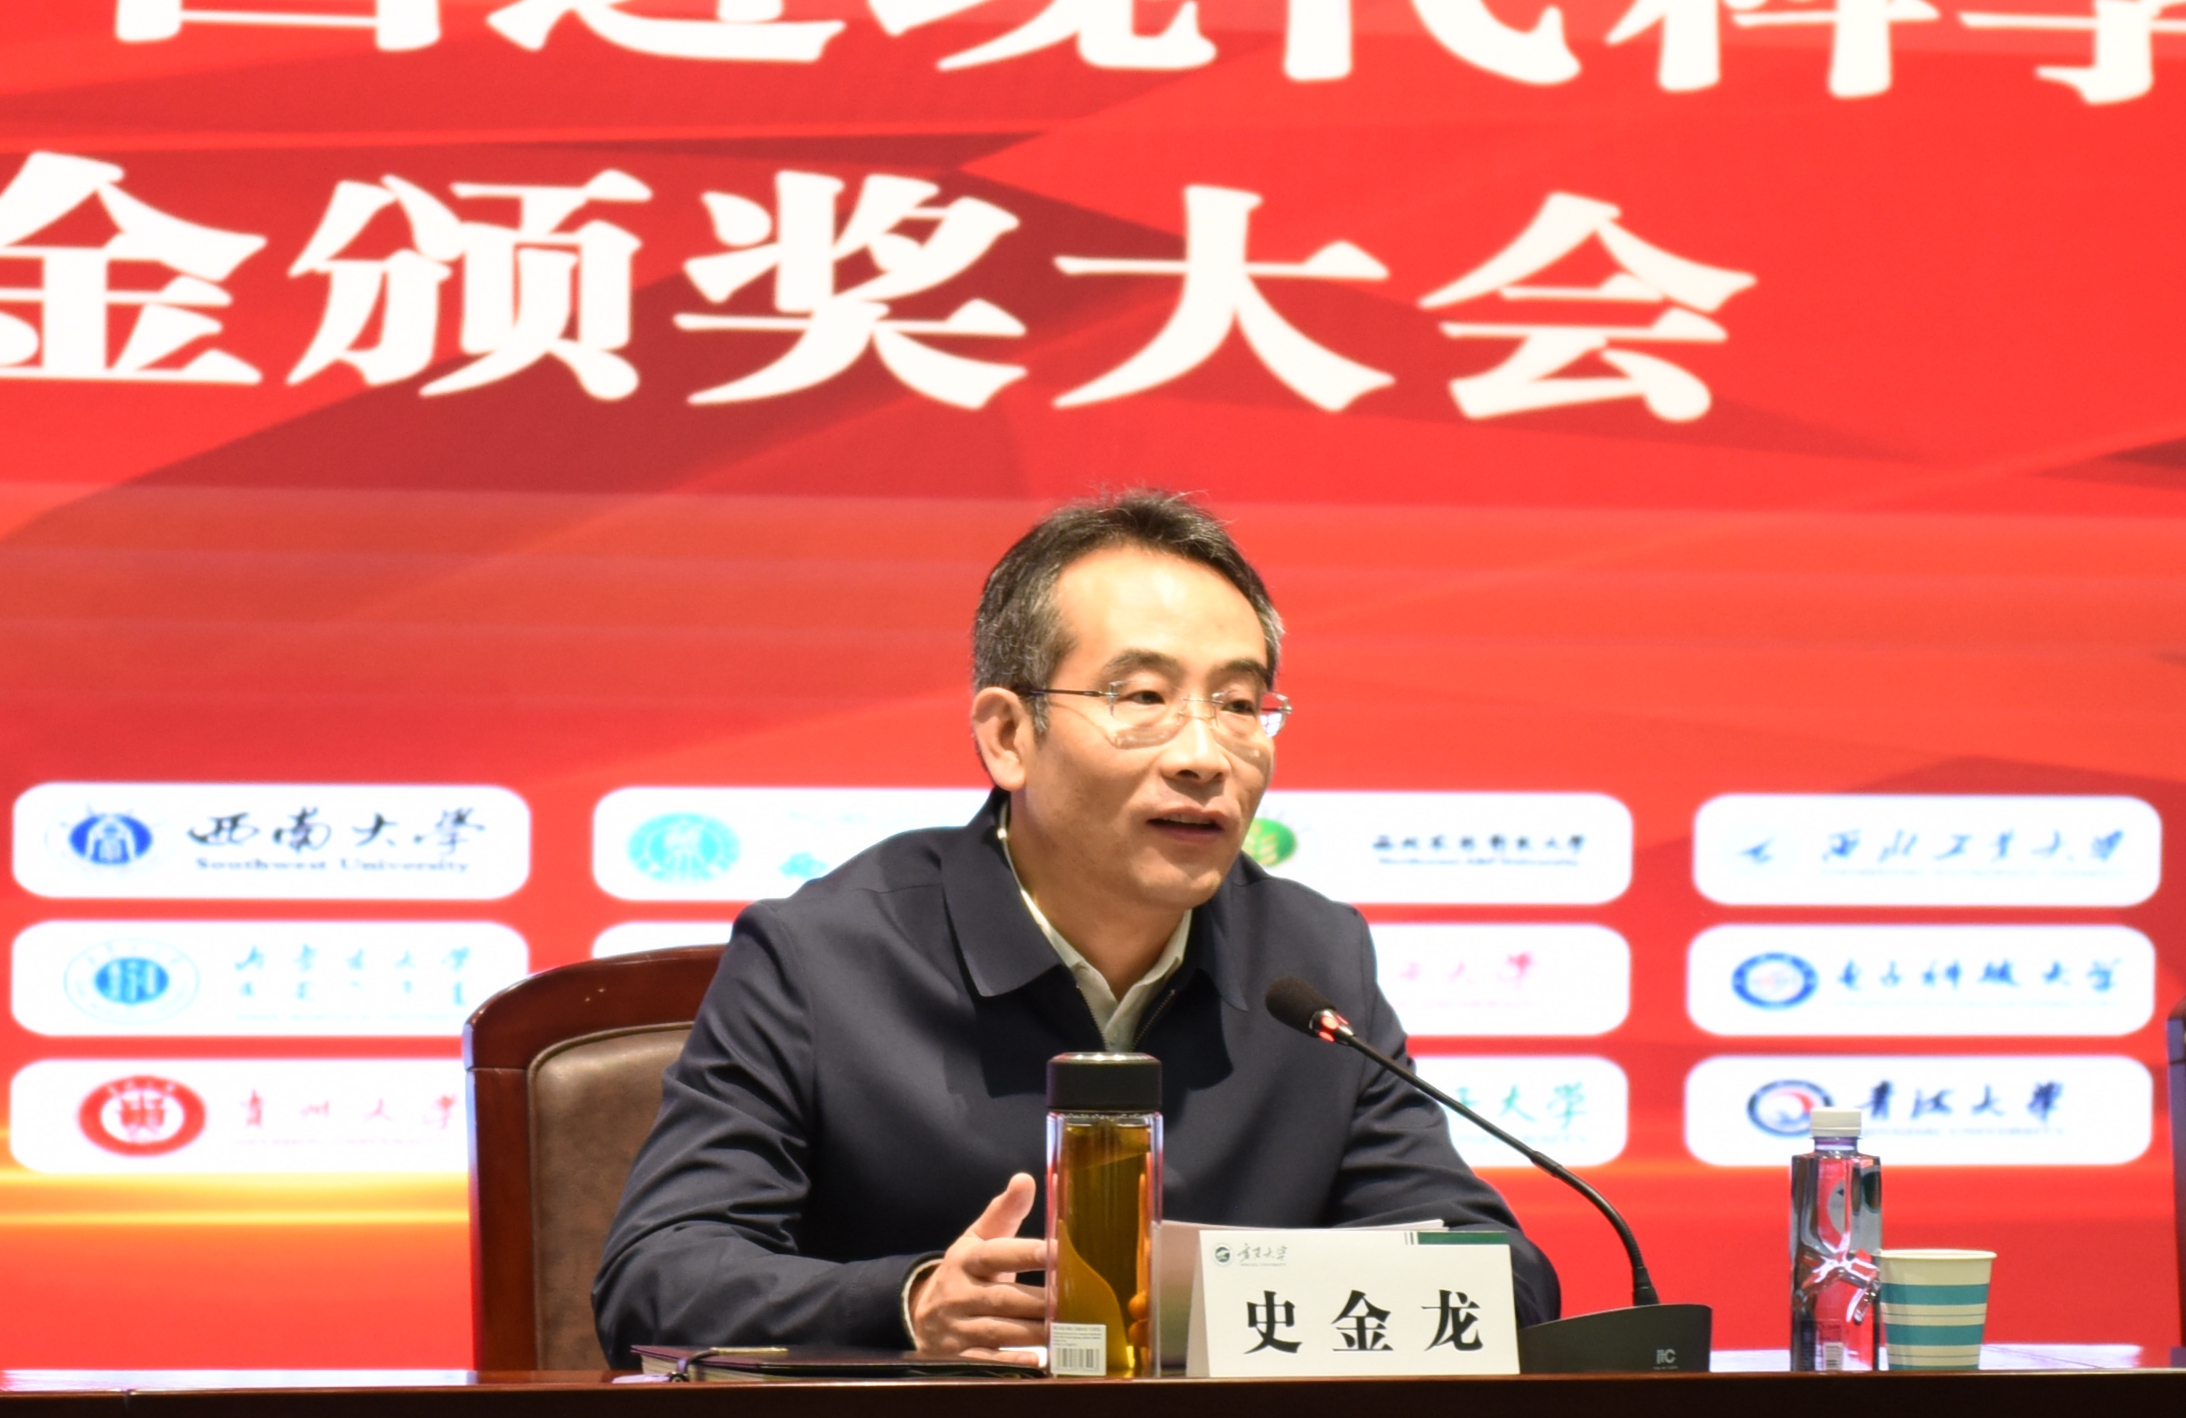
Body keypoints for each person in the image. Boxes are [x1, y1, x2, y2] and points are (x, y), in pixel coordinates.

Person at [592, 490, 1559, 1365]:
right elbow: (657, 1273)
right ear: (1008, 735)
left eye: (1238, 704)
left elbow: (1497, 1278)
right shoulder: (824, 959)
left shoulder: (1311, 962)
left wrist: (1231, 1304)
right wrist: (911, 1304)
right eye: (1143, 698)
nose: (1204, 755)